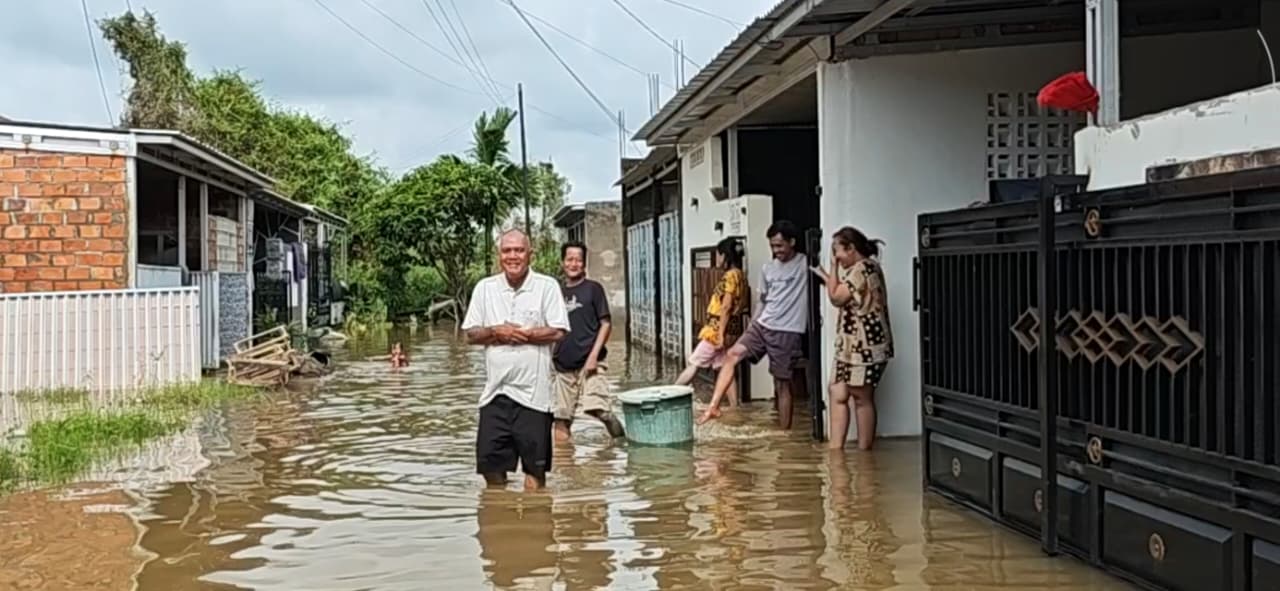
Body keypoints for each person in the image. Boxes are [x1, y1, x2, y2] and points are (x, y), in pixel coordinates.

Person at [462, 229, 569, 490]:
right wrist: (496, 331)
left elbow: (558, 330)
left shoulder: (547, 286)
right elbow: (470, 334)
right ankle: (501, 520)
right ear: (498, 255)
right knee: (490, 469)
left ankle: (533, 524)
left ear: (530, 254)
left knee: (535, 472)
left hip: (535, 397)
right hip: (494, 394)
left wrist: (526, 334)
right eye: (507, 251)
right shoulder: (485, 288)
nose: (513, 256)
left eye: (519, 250)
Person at [698, 220, 809, 428]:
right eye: (773, 246)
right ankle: (714, 406)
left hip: (787, 330)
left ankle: (784, 434)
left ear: (792, 242)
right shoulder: (768, 268)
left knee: (782, 383)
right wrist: (752, 325)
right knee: (732, 355)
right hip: (762, 324)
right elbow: (762, 300)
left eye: (780, 246)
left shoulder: (805, 264)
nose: (776, 251)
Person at [819, 226, 893, 450]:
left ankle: (864, 454)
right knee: (837, 391)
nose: (836, 257)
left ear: (851, 248)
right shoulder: (864, 269)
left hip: (865, 345)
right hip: (850, 345)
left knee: (861, 397)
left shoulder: (863, 268)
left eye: (837, 251)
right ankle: (836, 452)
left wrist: (831, 268)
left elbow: (836, 297)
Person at [552, 241, 626, 442]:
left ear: (584, 264)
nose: (574, 264)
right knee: (560, 418)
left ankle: (622, 445)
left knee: (600, 410)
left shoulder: (593, 289)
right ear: (563, 262)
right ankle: (566, 468)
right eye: (570, 259)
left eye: (578, 260)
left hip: (592, 363)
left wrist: (593, 357)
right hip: (563, 367)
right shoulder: (555, 292)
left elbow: (606, 324)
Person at [674, 237, 747, 401]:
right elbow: (741, 305)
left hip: (716, 330)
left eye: (719, 255)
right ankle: (735, 409)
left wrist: (720, 334)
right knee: (725, 368)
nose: (718, 259)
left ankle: (671, 395)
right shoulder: (740, 275)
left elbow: (726, 306)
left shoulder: (730, 276)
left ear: (725, 256)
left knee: (694, 362)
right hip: (732, 329)